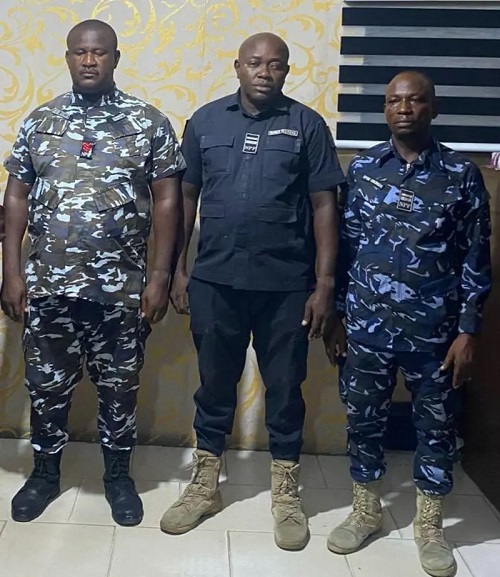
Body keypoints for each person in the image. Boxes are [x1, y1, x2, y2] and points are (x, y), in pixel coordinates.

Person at [160, 32, 344, 550]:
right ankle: (204, 484)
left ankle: (285, 490)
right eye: (255, 63)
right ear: (238, 66)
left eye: (276, 64)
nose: (265, 72)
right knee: (214, 386)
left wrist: (325, 284)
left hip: (286, 285)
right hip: (215, 280)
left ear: (286, 71)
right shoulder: (205, 122)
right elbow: (186, 196)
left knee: (285, 389)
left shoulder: (307, 125)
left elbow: (325, 205)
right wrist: (177, 270)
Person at [1, 19, 184, 526]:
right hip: (49, 285)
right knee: (46, 387)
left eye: (99, 52)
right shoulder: (41, 121)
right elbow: (15, 197)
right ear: (67, 58)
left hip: (121, 290)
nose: (88, 60)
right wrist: (11, 271)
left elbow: (168, 201)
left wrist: (159, 276)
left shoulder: (147, 122)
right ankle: (44, 475)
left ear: (115, 58)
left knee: (120, 389)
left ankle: (118, 478)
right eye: (79, 52)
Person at [323, 71, 491, 577]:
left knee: (436, 428)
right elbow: (345, 249)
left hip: (434, 332)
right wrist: (336, 315)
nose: (404, 108)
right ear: (385, 108)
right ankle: (365, 510)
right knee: (363, 422)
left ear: (433, 108)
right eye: (395, 100)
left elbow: (475, 258)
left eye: (415, 100)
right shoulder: (363, 168)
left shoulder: (461, 174)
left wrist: (468, 331)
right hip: (366, 327)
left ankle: (431, 525)